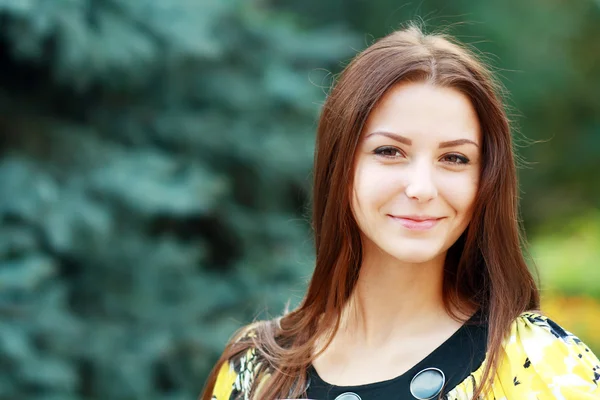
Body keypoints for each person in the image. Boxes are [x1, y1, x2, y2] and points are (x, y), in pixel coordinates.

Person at [200, 23, 600, 400]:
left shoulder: (542, 366)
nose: (422, 188)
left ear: (486, 181)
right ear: (340, 166)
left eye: (455, 158)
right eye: (390, 151)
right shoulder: (254, 369)